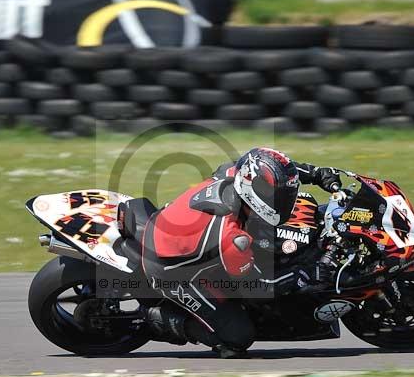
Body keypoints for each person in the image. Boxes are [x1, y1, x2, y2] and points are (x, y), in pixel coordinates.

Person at [141, 147, 340, 358]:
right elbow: (258, 287)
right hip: (167, 269)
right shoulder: (233, 239)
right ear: (253, 191)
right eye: (277, 196)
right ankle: (159, 319)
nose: (285, 200)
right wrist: (303, 274)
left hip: (175, 231)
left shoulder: (234, 173)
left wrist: (316, 173)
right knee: (238, 337)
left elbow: (273, 169)